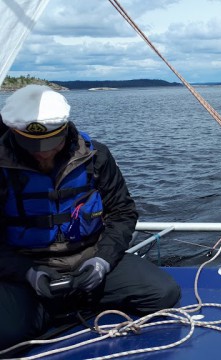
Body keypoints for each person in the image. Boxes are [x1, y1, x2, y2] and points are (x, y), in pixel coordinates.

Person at [0, 85, 181, 350]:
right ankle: (58, 305)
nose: (42, 153)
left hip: (89, 258)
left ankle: (57, 308)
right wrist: (27, 273)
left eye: (50, 143)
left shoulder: (97, 157)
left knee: (163, 293)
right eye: (31, 145)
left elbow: (123, 213)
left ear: (65, 129)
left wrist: (102, 261)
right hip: (28, 269)